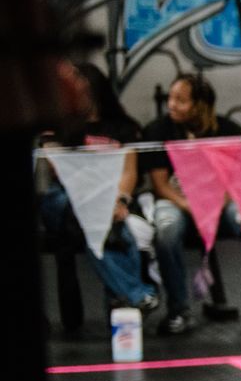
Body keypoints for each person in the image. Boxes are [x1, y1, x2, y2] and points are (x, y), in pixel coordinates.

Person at [141, 73, 241, 334]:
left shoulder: (228, 131)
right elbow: (161, 186)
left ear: (200, 105)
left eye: (180, 100)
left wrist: (215, 205)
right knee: (166, 229)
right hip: (176, 202)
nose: (171, 105)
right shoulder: (158, 131)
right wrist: (194, 207)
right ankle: (179, 311)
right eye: (171, 98)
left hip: (220, 203)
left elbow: (238, 181)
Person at [38, 61, 156, 312]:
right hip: (65, 198)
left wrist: (121, 200)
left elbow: (129, 171)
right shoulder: (57, 125)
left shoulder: (124, 127)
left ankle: (124, 299)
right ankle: (136, 293)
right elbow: (60, 168)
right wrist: (103, 201)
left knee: (107, 227)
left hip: (108, 199)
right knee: (94, 217)